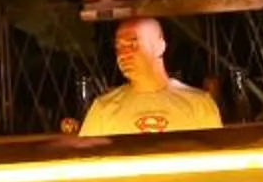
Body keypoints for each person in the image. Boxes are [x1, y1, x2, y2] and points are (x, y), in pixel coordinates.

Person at [77, 16, 226, 135]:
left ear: (160, 46)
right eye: (119, 47)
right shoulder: (104, 109)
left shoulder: (198, 104)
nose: (124, 55)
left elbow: (216, 163)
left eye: (133, 44)